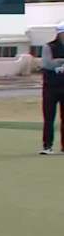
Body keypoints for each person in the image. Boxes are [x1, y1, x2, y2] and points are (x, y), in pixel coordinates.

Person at [40, 22, 64, 155]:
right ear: (60, 33)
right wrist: (61, 61)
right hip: (50, 88)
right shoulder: (49, 47)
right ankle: (47, 146)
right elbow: (47, 64)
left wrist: (58, 62)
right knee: (49, 118)